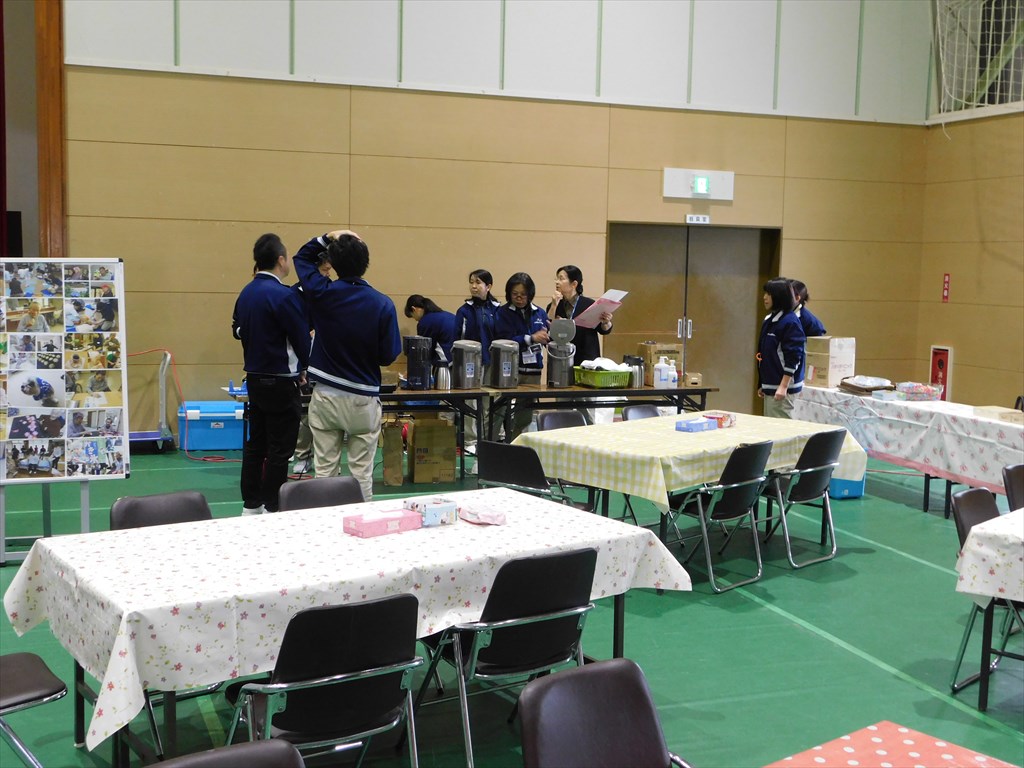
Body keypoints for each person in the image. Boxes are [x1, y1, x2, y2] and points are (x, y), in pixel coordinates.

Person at [294, 229, 401, 501]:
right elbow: (388, 355)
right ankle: (360, 519)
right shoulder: (383, 303)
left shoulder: (322, 293)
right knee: (361, 474)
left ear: (332, 263)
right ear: (366, 263)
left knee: (324, 470)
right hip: (363, 397)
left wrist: (327, 236)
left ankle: (324, 521)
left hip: (326, 395)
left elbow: (302, 258)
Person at [232, 233, 311, 515]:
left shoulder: (246, 292)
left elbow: (237, 330)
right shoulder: (284, 295)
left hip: (254, 379)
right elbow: (301, 338)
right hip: (281, 381)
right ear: (280, 260)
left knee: (256, 444)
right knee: (280, 448)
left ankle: (250, 504)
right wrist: (304, 367)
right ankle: (272, 505)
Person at [291, 253, 333, 476]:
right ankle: (302, 455)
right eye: (325, 270)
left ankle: (327, 461)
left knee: (326, 416)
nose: (328, 274)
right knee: (305, 414)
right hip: (301, 361)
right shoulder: (293, 295)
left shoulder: (329, 292)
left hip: (325, 362)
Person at [494, 273, 550, 438]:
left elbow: (545, 338)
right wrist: (530, 338)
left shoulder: (539, 313)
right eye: (515, 294)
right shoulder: (502, 313)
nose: (519, 298)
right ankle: (491, 442)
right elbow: (503, 340)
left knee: (525, 413)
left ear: (530, 294)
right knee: (498, 410)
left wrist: (550, 335)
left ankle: (517, 442)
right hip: (508, 369)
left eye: (523, 294)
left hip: (533, 370)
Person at [455, 269, 501, 447]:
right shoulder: (464, 310)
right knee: (471, 402)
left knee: (491, 402)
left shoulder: (497, 309)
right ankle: (471, 440)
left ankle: (489, 438)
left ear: (488, 286)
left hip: (492, 362)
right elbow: (457, 337)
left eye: (478, 282)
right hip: (470, 364)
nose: (473, 286)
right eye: (471, 282)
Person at [757, 277, 806, 419]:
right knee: (770, 426)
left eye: (769, 294)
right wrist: (762, 383)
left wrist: (783, 386)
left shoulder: (790, 322)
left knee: (780, 428)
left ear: (779, 296)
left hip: (783, 389)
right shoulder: (769, 320)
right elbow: (765, 354)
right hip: (770, 385)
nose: (764, 297)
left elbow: (794, 357)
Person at [546, 265, 613, 367]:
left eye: (561, 279)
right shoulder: (554, 305)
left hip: (586, 359)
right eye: (557, 279)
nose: (557, 282)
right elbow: (548, 328)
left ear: (574, 284)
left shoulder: (589, 304)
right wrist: (554, 305)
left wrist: (606, 322)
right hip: (561, 358)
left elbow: (603, 330)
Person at [404, 295, 458, 367]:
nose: (416, 320)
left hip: (445, 361)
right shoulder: (447, 315)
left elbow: (423, 351)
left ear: (414, 309)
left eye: (413, 316)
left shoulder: (425, 321)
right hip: (458, 358)